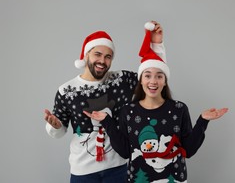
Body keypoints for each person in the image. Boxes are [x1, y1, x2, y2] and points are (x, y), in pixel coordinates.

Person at [84, 23, 228, 183]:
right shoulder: (128, 112)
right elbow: (125, 152)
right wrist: (107, 121)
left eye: (159, 76)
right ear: (140, 80)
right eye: (147, 75)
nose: (153, 81)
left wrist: (203, 120)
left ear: (165, 81)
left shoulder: (179, 109)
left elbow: (188, 150)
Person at [44, 21, 166, 183]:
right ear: (86, 55)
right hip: (83, 172)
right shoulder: (66, 90)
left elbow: (153, 73)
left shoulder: (121, 80)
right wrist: (55, 126)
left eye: (108, 57)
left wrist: (156, 44)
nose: (102, 61)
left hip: (118, 169)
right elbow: (60, 129)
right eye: (98, 54)